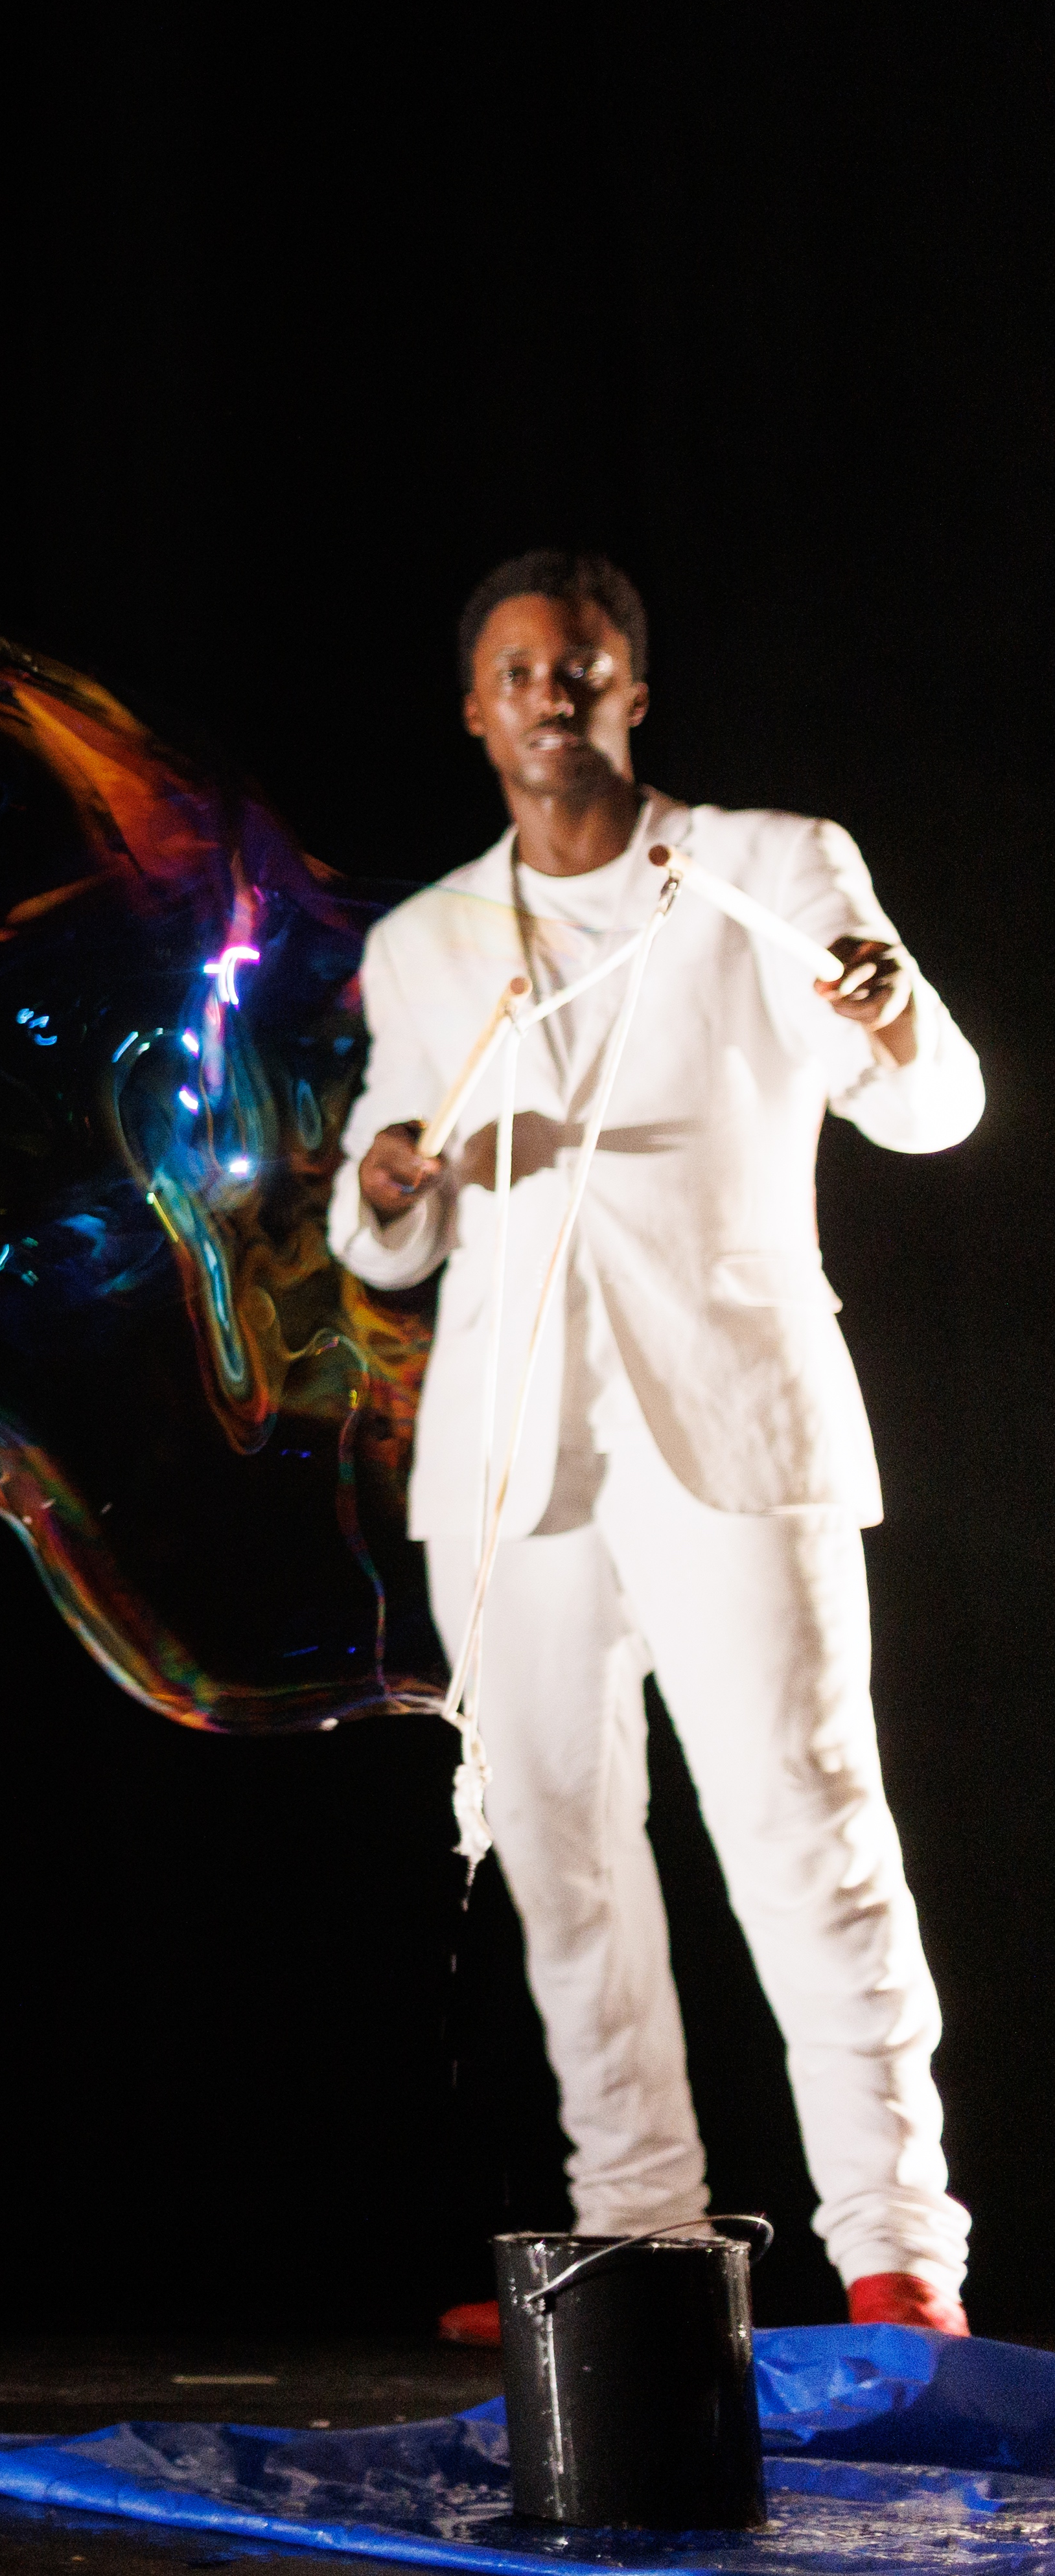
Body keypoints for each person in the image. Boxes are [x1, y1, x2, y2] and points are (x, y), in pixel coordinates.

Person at [331, 553, 980, 2345]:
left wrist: (893, 1015)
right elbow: (385, 1226)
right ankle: (636, 2256)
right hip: (512, 1455)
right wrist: (385, 1191)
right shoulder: (426, 943)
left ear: (632, 695)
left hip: (731, 1427)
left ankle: (897, 2256)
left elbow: (934, 1109)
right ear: (475, 710)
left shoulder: (779, 868)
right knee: (558, 1847)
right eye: (519, 670)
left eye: (583, 667)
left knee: (808, 1828)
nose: (552, 694)